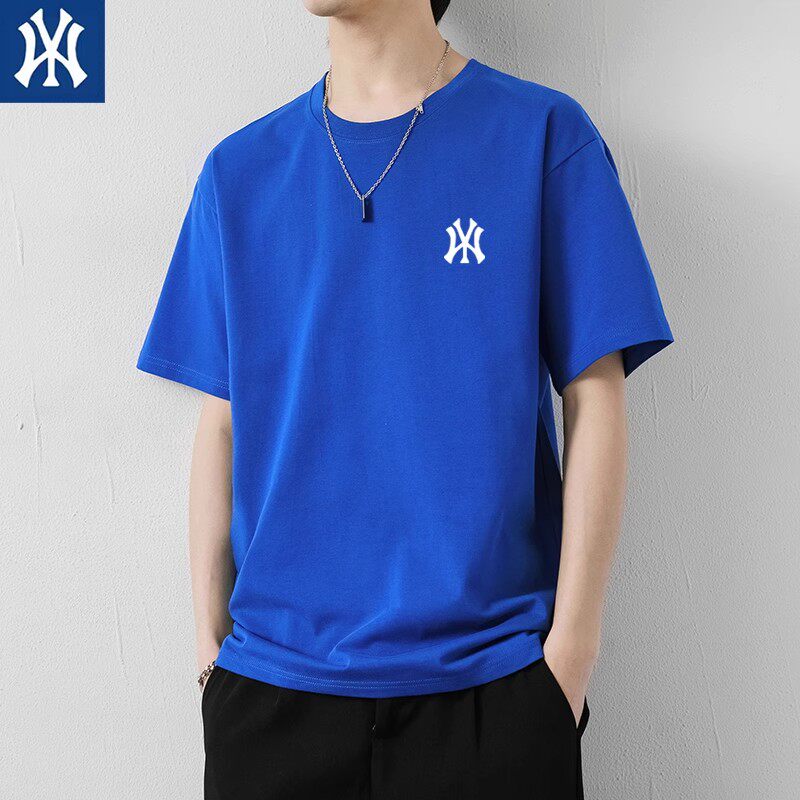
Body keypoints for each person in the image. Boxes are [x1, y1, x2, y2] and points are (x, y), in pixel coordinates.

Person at [137, 0, 672, 797]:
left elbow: (595, 396)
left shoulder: (542, 137)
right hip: (272, 697)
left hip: (493, 692)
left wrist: (571, 658)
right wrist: (210, 654)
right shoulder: (239, 171)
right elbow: (223, 421)